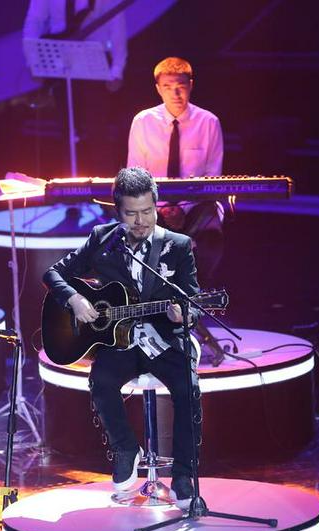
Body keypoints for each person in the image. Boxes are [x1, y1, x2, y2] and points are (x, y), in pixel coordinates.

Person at [43, 167, 201, 509]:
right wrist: (75, 298)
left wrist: (185, 314)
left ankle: (185, 475)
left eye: (148, 211)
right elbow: (54, 272)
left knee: (187, 388)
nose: (141, 221)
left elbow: (192, 299)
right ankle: (126, 449)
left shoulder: (177, 246)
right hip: (119, 343)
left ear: (157, 206)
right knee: (100, 381)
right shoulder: (102, 239)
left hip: (163, 340)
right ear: (118, 212)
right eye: (132, 214)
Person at [126, 57, 224, 282]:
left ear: (191, 85)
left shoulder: (208, 122)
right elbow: (136, 174)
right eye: (168, 88)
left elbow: (213, 178)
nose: (175, 94)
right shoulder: (143, 121)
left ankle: (200, 294)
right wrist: (164, 208)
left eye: (181, 87)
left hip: (196, 205)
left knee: (210, 236)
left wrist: (182, 209)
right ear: (158, 89)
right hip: (154, 205)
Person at [22, 0, 128, 175]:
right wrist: (33, 60)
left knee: (98, 130)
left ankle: (102, 190)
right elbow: (35, 20)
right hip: (60, 58)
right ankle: (68, 187)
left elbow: (117, 24)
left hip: (95, 59)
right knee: (66, 130)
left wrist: (117, 69)